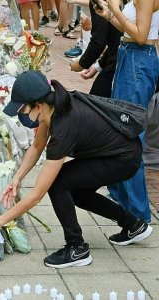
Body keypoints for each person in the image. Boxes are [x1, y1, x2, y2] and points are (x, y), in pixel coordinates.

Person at [0, 70, 153, 269]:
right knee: (76, 193)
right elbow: (36, 146)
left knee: (58, 184)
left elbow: (36, 195)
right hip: (117, 152)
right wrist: (17, 178)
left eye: (22, 111)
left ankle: (76, 248)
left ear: (38, 106)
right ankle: (133, 225)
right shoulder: (54, 107)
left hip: (122, 159)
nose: (21, 116)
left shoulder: (63, 129)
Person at [94, 0, 159, 222]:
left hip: (138, 60)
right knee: (121, 130)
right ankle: (124, 201)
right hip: (132, 56)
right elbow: (130, 29)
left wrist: (115, 10)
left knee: (129, 136)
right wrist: (109, 16)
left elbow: (140, 36)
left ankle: (138, 215)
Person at [70, 0, 124, 98]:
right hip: (121, 56)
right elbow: (118, 37)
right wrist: (98, 65)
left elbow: (99, 42)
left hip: (124, 61)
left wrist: (81, 64)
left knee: (97, 105)